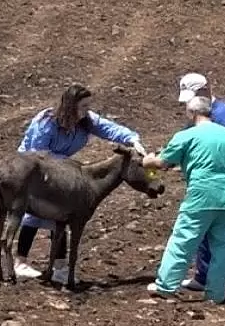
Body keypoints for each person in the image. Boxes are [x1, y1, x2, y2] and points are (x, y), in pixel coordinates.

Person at [13, 83, 147, 281]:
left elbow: (109, 128)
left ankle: (59, 267)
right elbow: (37, 153)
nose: (87, 110)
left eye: (88, 106)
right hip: (33, 169)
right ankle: (21, 263)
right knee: (36, 214)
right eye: (83, 106)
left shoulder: (86, 120)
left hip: (62, 169)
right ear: (70, 105)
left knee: (62, 214)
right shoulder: (46, 122)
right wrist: (67, 168)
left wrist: (133, 140)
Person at [143, 95, 225, 303]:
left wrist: (148, 161)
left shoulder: (186, 136)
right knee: (223, 246)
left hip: (201, 196)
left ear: (191, 113)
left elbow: (162, 162)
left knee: (183, 240)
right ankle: (216, 294)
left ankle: (166, 286)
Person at [174, 72, 225, 292]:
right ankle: (204, 275)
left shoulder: (223, 116)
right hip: (213, 179)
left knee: (221, 223)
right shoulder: (203, 114)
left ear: (205, 90)